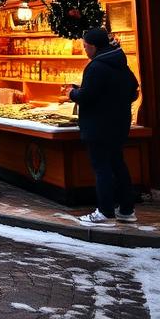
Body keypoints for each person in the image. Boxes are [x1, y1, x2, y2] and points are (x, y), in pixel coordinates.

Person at [62, 28, 140, 225]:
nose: (84, 49)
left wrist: (71, 93)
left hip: (98, 127)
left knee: (102, 169)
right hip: (119, 124)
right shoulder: (121, 64)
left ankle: (105, 212)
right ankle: (126, 210)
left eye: (85, 46)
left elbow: (86, 97)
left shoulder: (96, 67)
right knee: (118, 165)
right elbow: (133, 91)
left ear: (94, 46)